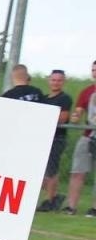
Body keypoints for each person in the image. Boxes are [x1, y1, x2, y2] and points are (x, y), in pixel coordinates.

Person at [39, 69, 73, 212]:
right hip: (43, 136)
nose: (56, 82)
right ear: (49, 80)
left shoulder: (64, 98)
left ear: (63, 81)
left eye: (59, 80)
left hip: (57, 137)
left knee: (51, 170)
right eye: (53, 80)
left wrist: (45, 117)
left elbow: (63, 117)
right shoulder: (44, 99)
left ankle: (51, 199)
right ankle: (54, 196)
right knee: (41, 170)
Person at [68, 59, 96, 216]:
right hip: (88, 135)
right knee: (78, 171)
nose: (94, 73)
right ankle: (71, 207)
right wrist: (76, 116)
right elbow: (78, 112)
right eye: (93, 70)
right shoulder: (86, 92)